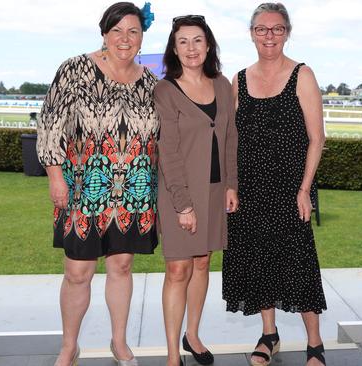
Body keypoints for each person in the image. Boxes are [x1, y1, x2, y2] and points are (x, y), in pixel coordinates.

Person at [36, 2, 157, 366]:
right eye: (117, 30)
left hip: (134, 192)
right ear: (104, 33)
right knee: (78, 271)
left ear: (141, 37)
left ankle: (118, 343)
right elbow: (50, 124)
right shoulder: (75, 69)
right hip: (83, 189)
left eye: (133, 31)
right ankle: (69, 346)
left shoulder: (151, 81)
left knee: (121, 267)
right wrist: (55, 177)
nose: (125, 38)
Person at [221, 3, 327, 366]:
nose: (269, 36)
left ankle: (315, 342)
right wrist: (230, 185)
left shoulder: (303, 74)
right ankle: (269, 335)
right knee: (258, 261)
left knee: (298, 261)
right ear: (251, 33)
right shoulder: (240, 78)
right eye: (262, 29)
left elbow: (317, 138)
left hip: (290, 190)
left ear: (287, 32)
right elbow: (230, 138)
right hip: (249, 188)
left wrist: (304, 189)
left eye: (277, 29)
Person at [154, 15, 238, 366]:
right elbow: (168, 151)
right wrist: (183, 205)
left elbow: (231, 138)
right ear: (174, 48)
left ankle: (193, 335)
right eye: (184, 41)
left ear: (209, 45)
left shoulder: (222, 85)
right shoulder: (165, 90)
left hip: (216, 190)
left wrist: (232, 184)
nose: (191, 48)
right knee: (178, 270)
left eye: (198, 40)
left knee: (202, 263)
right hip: (179, 192)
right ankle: (174, 353)